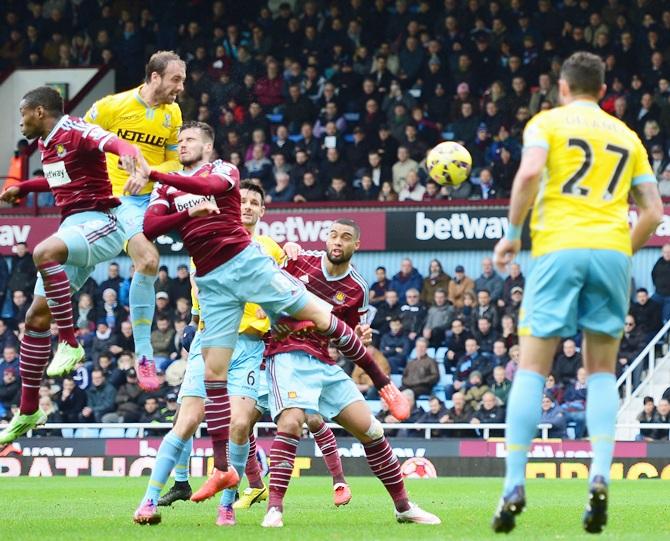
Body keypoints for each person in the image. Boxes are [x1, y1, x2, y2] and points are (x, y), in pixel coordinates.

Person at [132, 124, 408, 524]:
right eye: (180, 141)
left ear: (208, 146)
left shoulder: (224, 172)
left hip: (247, 272)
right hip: (213, 284)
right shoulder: (168, 190)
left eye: (190, 140)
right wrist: (186, 209)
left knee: (320, 319)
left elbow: (210, 187)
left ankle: (382, 384)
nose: (182, 144)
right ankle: (223, 470)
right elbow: (149, 229)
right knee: (212, 376)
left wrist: (154, 174)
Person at [491, 52, 663, 534]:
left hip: (558, 249)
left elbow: (527, 175)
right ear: (602, 90)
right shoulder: (627, 136)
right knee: (603, 371)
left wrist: (512, 233)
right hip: (611, 252)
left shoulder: (546, 123)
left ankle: (512, 484)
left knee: (532, 367)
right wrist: (619, 251)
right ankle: (601, 475)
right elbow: (651, 212)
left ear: (563, 88)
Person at [260, 220, 440, 528]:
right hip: (286, 356)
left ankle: (403, 506)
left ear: (356, 245)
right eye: (332, 235)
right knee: (291, 422)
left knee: (372, 430)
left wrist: (361, 335)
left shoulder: (358, 288)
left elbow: (348, 337)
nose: (337, 242)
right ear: (326, 239)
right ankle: (274, 508)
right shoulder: (299, 260)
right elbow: (265, 291)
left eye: (345, 238)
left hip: (324, 363)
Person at [0, 86, 140, 445]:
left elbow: (113, 142)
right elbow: (59, 179)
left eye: (23, 114)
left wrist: (127, 156)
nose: (20, 121)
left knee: (43, 252)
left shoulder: (76, 129)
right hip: (73, 226)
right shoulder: (47, 143)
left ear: (40, 111)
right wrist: (26, 187)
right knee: (33, 318)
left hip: (103, 221)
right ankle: (28, 410)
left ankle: (70, 340)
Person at [85, 50, 186, 391]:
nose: (181, 87)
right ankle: (144, 354)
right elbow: (80, 145)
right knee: (149, 259)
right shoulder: (111, 107)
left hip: (155, 197)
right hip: (119, 198)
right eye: (176, 79)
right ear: (154, 77)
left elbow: (176, 164)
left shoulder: (172, 113)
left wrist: (149, 173)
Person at [651, 244, 670, 322]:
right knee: (652, 315)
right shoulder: (659, 262)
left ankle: (666, 334)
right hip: (658, 294)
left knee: (666, 319)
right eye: (665, 252)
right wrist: (657, 285)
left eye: (669, 252)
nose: (667, 254)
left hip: (669, 297)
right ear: (662, 253)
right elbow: (653, 274)